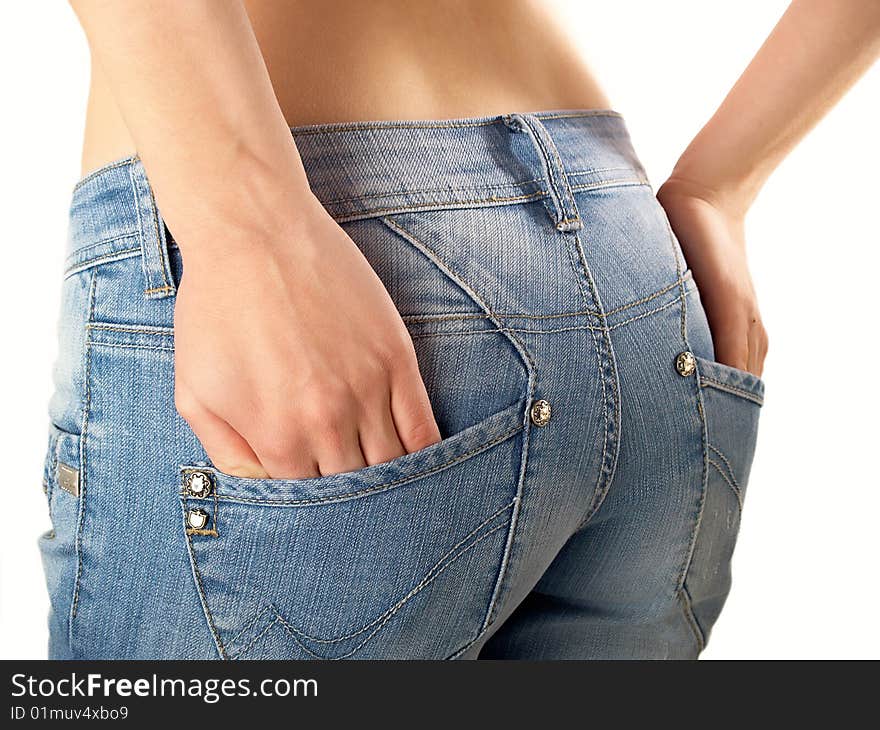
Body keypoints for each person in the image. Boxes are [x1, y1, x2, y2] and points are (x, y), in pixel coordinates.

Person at [41, 0, 878, 659]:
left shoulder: (261, 229)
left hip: (314, 230)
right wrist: (719, 188)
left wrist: (247, 226)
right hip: (627, 257)